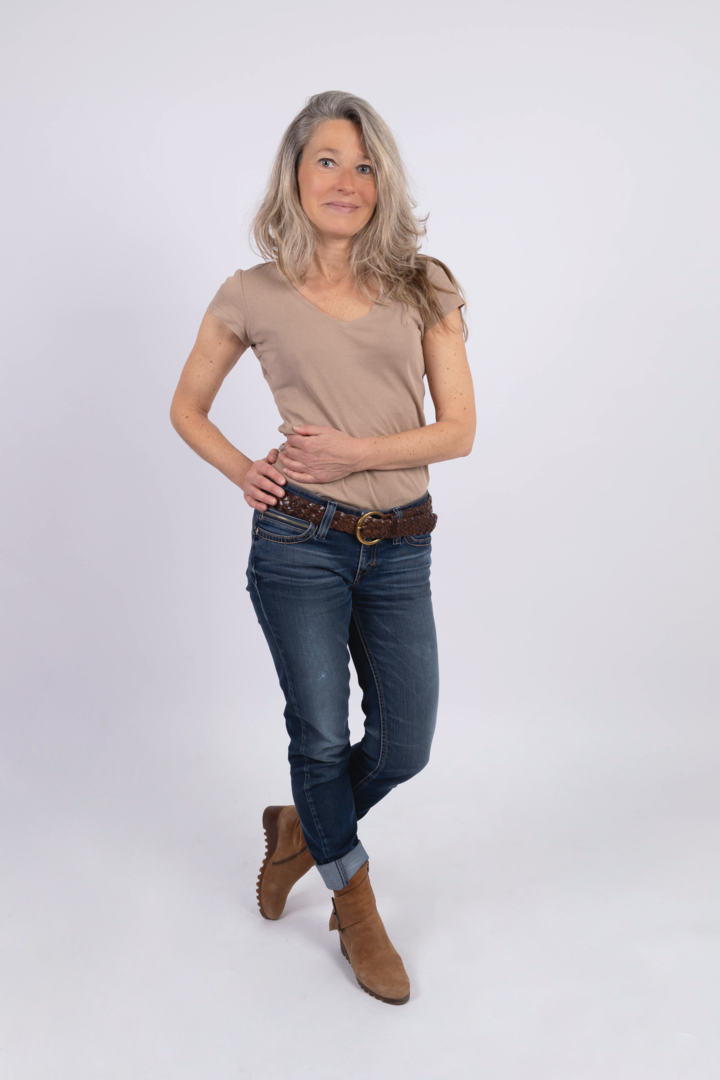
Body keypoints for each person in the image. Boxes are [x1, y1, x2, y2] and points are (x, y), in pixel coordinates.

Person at [170, 91, 475, 1005]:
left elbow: (457, 431)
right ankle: (356, 905)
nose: (346, 181)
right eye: (327, 162)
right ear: (295, 177)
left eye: (364, 165)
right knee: (319, 733)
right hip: (298, 540)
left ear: (384, 182)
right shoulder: (250, 293)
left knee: (406, 742)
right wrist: (243, 471)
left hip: (401, 545)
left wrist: (355, 453)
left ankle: (302, 827)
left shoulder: (424, 283)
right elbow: (187, 406)